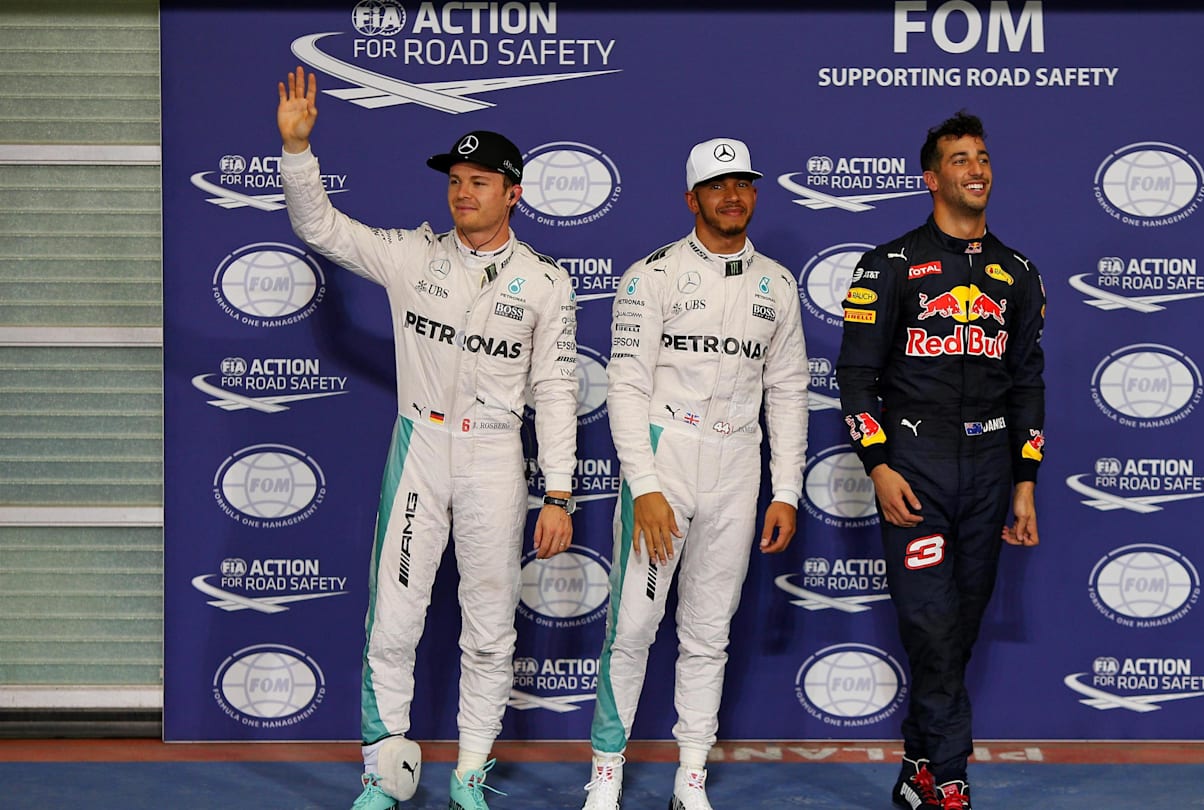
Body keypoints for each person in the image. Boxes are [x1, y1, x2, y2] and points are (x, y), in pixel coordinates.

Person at [275, 66, 580, 810]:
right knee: (396, 617)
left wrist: (560, 491)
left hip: (495, 457)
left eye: (480, 181)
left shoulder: (546, 281)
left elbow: (556, 390)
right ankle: (385, 775)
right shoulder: (414, 255)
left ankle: (470, 773)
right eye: (455, 179)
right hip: (421, 448)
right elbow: (321, 228)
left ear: (513, 192)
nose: (462, 191)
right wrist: (297, 152)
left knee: (489, 621)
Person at [577, 138, 810, 810]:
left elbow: (789, 390)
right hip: (666, 457)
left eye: (743, 183)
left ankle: (691, 778)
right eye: (717, 185)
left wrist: (786, 490)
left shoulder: (778, 284)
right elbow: (624, 387)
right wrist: (645, 487)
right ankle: (605, 774)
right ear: (692, 199)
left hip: (738, 466)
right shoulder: (649, 276)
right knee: (633, 627)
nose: (732, 196)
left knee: (711, 630)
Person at [836, 110, 1046, 810]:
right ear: (932, 178)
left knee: (960, 623)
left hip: (989, 466)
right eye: (960, 159)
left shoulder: (1017, 273)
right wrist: (879, 464)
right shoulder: (889, 264)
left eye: (983, 156)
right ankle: (951, 777)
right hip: (915, 465)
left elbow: (1027, 383)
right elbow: (856, 377)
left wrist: (1025, 480)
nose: (976, 168)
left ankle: (917, 764)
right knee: (929, 622)